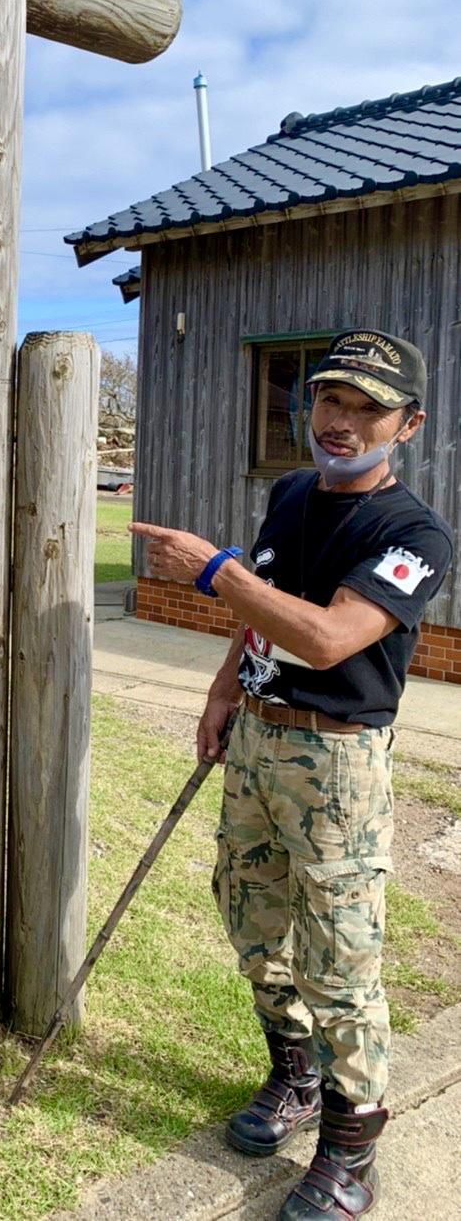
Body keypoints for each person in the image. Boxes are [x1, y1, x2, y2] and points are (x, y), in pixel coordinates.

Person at [130, 329, 453, 1221]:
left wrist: (212, 569)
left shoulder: (412, 532)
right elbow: (264, 614)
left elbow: (326, 635)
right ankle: (295, 1075)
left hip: (337, 760)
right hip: (260, 741)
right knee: (249, 912)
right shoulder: (289, 494)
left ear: (409, 424)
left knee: (341, 955)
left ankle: (351, 1152)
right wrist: (220, 694)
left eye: (366, 408)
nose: (341, 422)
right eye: (329, 401)